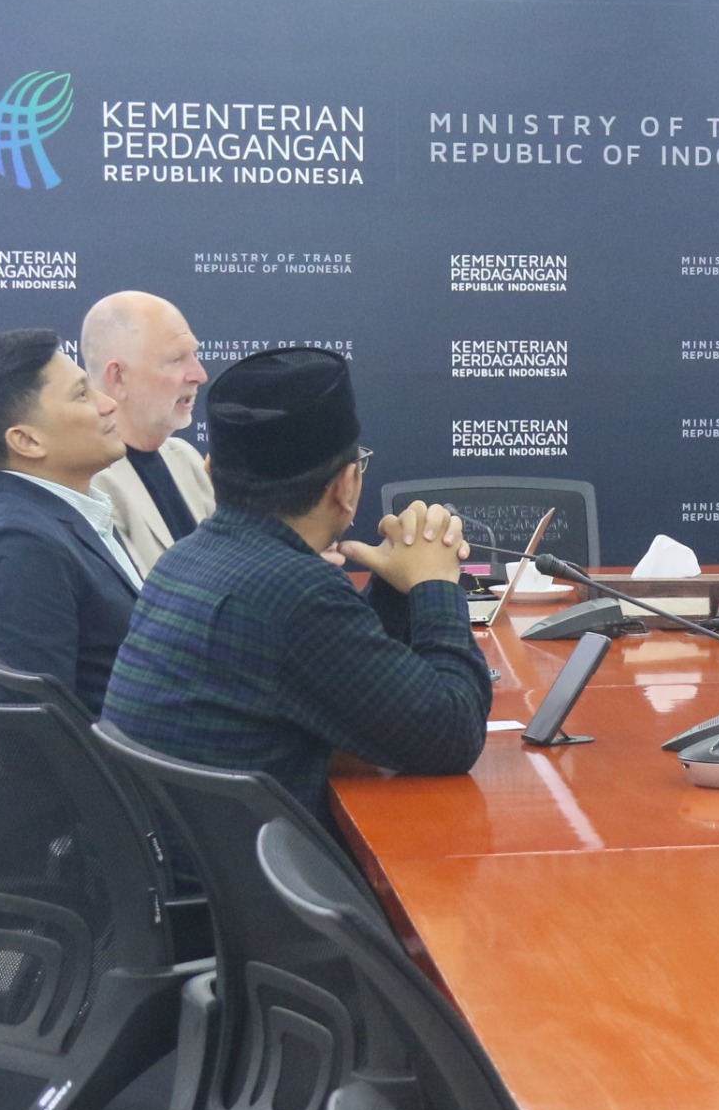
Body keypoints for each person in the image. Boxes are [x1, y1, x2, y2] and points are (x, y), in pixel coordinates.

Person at [102, 348, 493, 812]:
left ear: (211, 474)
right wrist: (436, 585)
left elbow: (353, 682)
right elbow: (453, 736)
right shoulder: (295, 592)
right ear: (346, 486)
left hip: (179, 847)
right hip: (259, 857)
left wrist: (394, 589)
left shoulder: (185, 559)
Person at [0, 329, 141, 715]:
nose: (108, 404)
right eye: (81, 394)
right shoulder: (19, 550)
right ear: (28, 441)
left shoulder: (60, 511)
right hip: (130, 752)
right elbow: (39, 732)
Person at [82, 291, 213, 575]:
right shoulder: (87, 484)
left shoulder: (186, 459)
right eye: (176, 359)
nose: (199, 374)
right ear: (118, 377)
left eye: (194, 354)